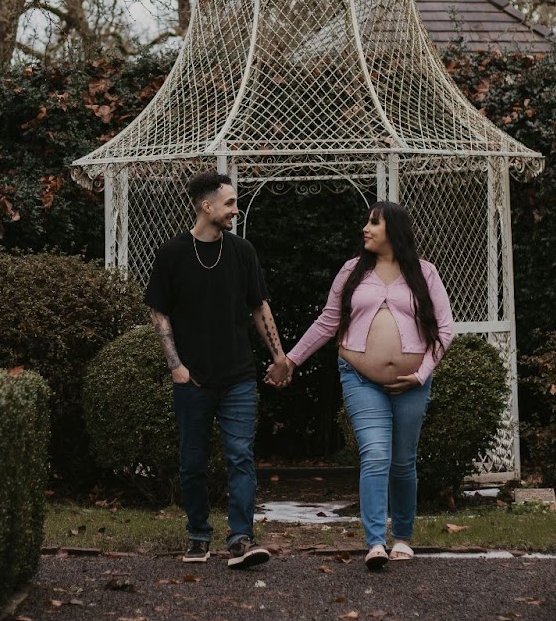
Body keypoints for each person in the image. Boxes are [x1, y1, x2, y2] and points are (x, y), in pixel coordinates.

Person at [267, 200, 454, 570]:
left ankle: (402, 536)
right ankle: (374, 543)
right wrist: (290, 360)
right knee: (376, 455)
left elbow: (445, 330)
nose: (365, 229)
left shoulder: (424, 273)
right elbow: (327, 322)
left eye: (374, 223)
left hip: (412, 383)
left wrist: (421, 373)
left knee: (403, 462)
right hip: (359, 377)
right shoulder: (352, 271)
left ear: (394, 231)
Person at [145, 169, 291, 569]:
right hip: (192, 378)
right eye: (229, 203)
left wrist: (278, 356)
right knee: (192, 460)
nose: (235, 210)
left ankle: (241, 538)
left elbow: (259, 305)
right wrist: (175, 365)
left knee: (240, 455)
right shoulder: (172, 254)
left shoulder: (242, 251)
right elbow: (160, 313)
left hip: (238, 376)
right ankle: (198, 534)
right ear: (205, 206)